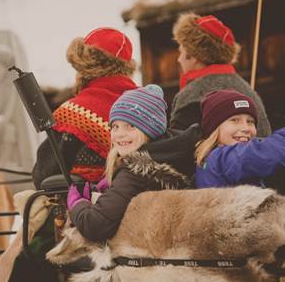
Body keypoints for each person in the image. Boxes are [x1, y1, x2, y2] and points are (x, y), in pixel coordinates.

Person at [67, 85, 190, 242]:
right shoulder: (174, 152)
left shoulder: (136, 172)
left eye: (130, 126)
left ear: (151, 128)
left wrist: (77, 203)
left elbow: (94, 225)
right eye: (115, 126)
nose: (119, 134)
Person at [32, 27, 138, 189]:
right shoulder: (145, 106)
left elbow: (43, 175)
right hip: (140, 200)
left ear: (86, 68)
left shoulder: (74, 113)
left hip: (87, 206)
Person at [170, 13, 271, 137]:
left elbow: (178, 148)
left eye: (181, 52)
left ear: (194, 56)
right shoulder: (247, 89)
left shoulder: (192, 93)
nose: (178, 59)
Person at [194, 89, 285, 189]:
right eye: (234, 120)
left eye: (250, 121)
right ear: (214, 128)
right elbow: (261, 155)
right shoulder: (220, 159)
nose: (245, 128)